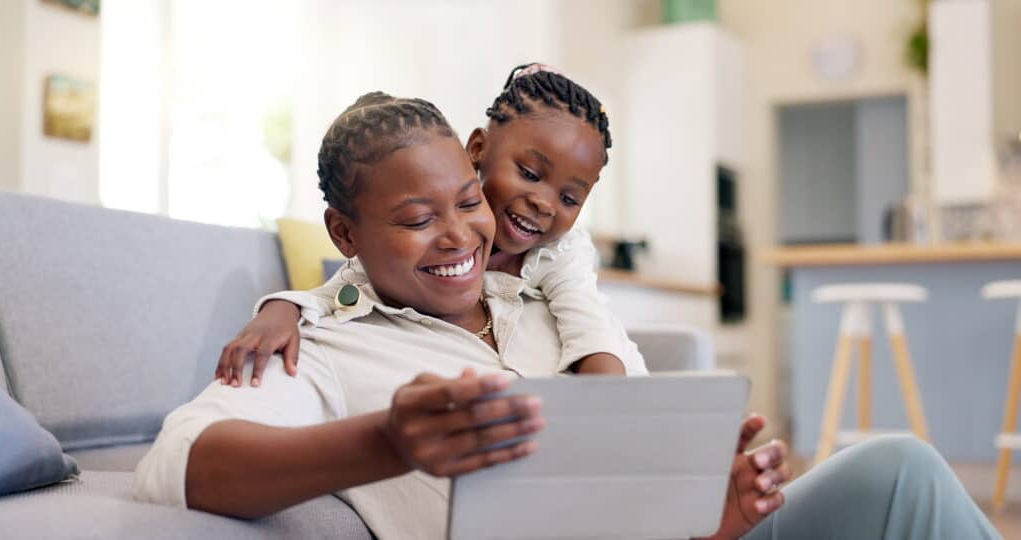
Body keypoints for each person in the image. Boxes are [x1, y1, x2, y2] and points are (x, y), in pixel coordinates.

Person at [134, 92, 1001, 540]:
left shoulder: (544, 293)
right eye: (415, 219)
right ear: (343, 233)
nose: (460, 235)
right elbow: (176, 464)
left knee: (902, 467)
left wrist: (714, 502)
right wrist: (389, 442)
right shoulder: (319, 349)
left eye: (469, 201)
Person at [214, 64, 639, 388]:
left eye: (570, 198)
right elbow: (345, 287)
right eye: (529, 173)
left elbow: (588, 325)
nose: (544, 204)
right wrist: (281, 309)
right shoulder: (421, 253)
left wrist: (611, 413)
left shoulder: (562, 253)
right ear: (477, 149)